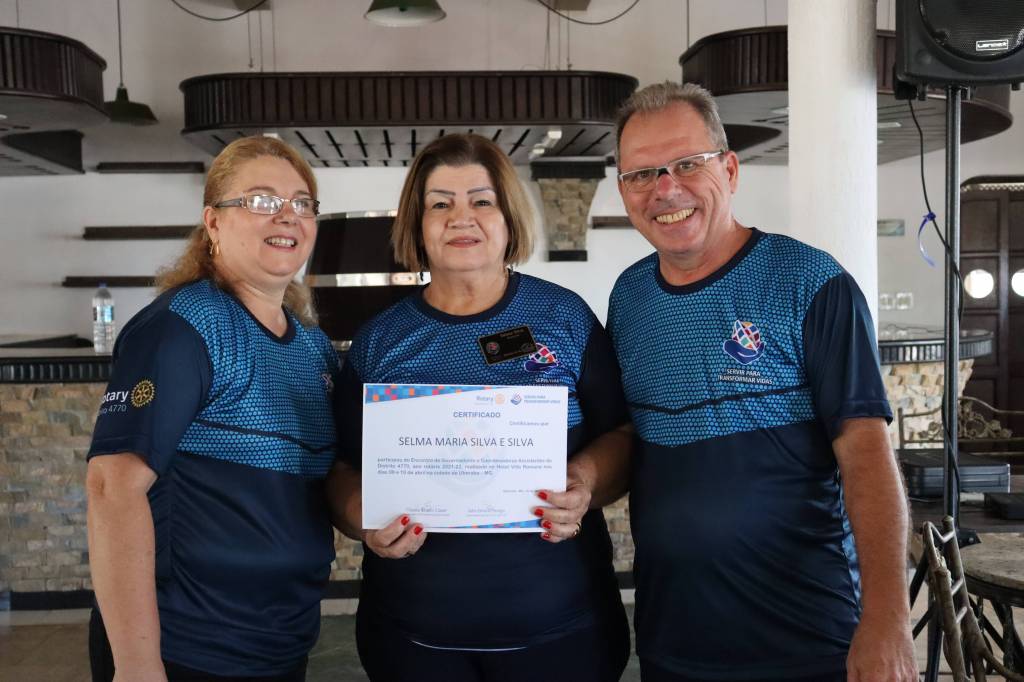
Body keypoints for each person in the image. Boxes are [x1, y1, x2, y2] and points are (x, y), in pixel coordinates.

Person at [607, 82, 917, 682]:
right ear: (624, 191)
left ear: (729, 169)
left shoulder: (810, 283)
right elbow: (630, 441)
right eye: (641, 174)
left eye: (687, 164)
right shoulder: (629, 298)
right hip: (674, 639)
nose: (665, 189)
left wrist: (887, 619)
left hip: (807, 637)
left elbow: (867, 456)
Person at [327, 132, 631, 682]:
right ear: (417, 224)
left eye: (481, 201)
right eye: (440, 203)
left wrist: (584, 482)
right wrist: (361, 518)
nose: (460, 218)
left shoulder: (564, 318)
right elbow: (341, 467)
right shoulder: (380, 341)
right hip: (413, 640)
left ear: (508, 217)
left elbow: (623, 434)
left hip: (563, 635)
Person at [86, 136, 339, 681]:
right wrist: (137, 666)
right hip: (187, 646)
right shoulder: (183, 328)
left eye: (301, 203)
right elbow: (112, 488)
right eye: (262, 200)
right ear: (214, 222)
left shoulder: (312, 348)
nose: (287, 215)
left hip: (279, 642)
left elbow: (326, 486)